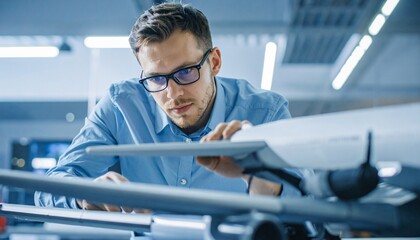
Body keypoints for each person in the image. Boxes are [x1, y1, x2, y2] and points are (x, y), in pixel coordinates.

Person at [35, 2, 300, 211]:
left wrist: (262, 182)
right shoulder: (121, 105)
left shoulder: (264, 112)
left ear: (215, 62)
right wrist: (85, 196)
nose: (173, 94)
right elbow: (49, 187)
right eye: (156, 79)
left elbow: (309, 200)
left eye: (185, 72)